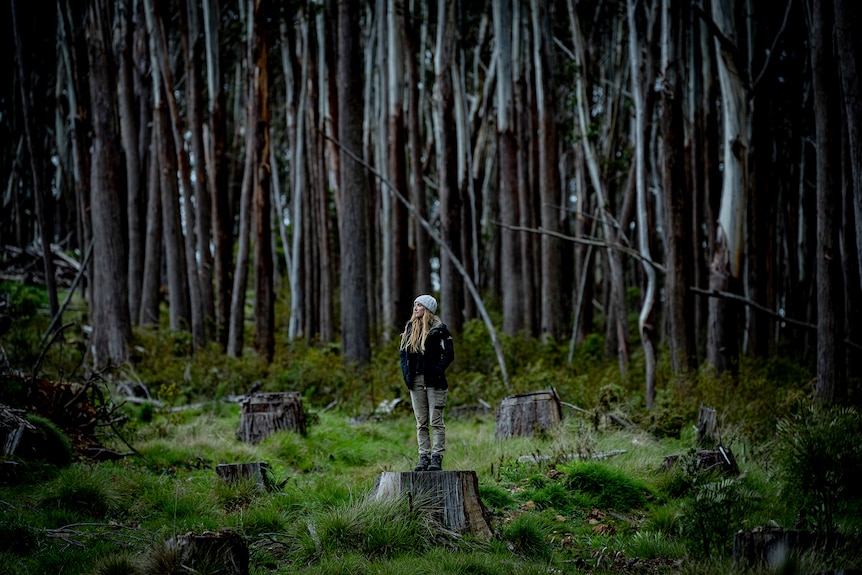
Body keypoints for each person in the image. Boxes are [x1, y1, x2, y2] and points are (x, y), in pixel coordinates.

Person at [399, 294, 454, 472]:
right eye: (415, 305)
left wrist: (437, 371)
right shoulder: (409, 329)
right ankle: (424, 457)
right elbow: (403, 355)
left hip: (435, 382)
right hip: (415, 382)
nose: (415, 308)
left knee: (435, 421)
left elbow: (448, 355)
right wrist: (407, 376)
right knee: (421, 422)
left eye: (419, 305)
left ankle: (436, 458)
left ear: (428, 309)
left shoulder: (440, 330)